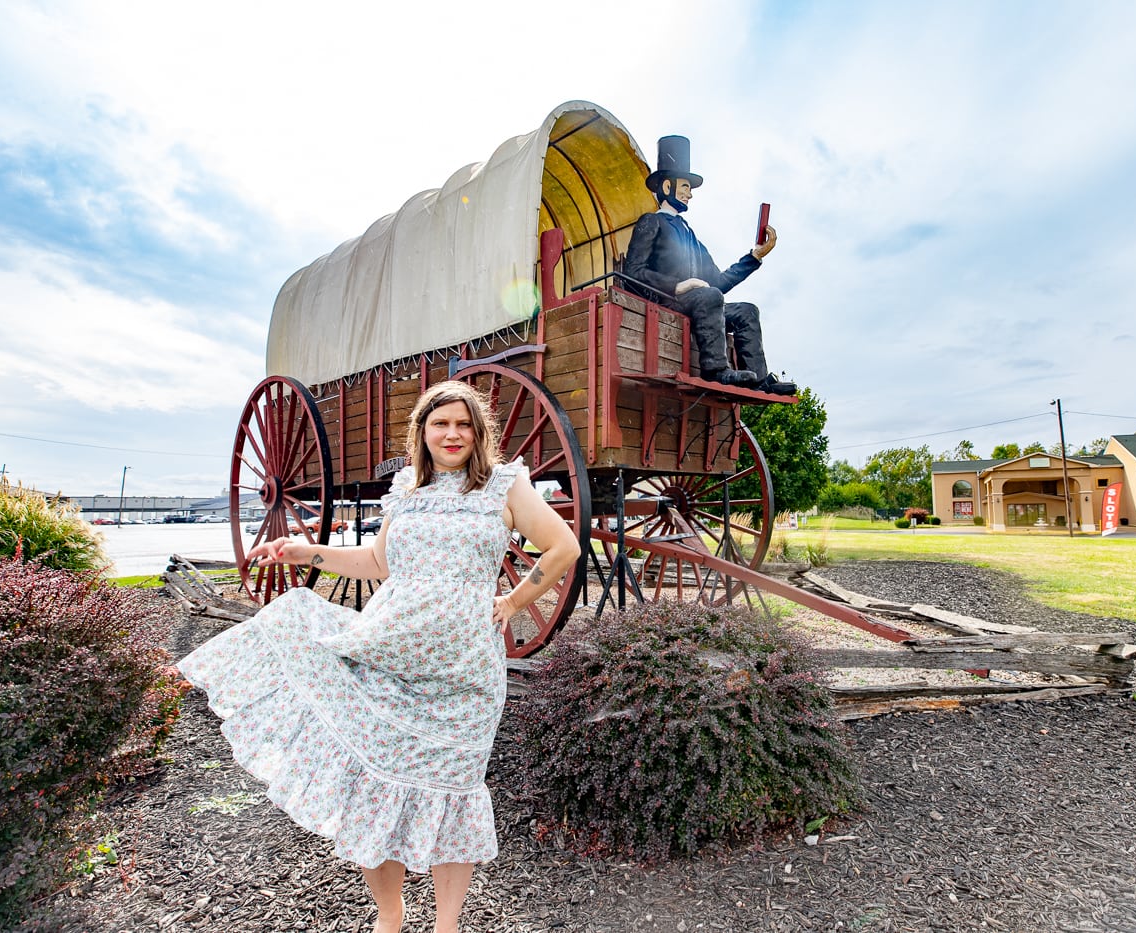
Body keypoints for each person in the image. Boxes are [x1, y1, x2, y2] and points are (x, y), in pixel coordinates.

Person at [177, 381, 582, 933]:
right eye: (440, 424)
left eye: (463, 424)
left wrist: (512, 600)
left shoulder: (505, 486)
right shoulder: (406, 488)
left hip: (464, 674)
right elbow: (377, 561)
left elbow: (563, 547)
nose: (453, 433)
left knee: (455, 790)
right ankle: (389, 917)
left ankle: (447, 926)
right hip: (385, 654)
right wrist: (307, 551)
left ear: (478, 431)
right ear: (423, 432)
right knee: (372, 785)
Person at [623, 134, 798, 396]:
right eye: (685, 186)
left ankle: (760, 379)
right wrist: (678, 286)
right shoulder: (651, 222)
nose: (689, 194)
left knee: (747, 311)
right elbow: (632, 273)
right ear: (667, 187)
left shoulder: (692, 238)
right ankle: (716, 371)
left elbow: (717, 283)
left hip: (701, 304)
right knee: (708, 296)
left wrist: (755, 256)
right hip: (665, 301)